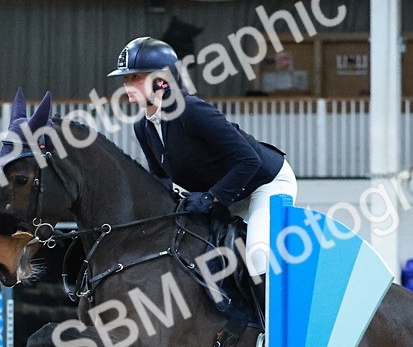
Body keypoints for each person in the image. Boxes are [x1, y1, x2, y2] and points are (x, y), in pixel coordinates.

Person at [108, 37, 297, 279]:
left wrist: (212, 196)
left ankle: (270, 318)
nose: (127, 84)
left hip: (265, 183)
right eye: (125, 78)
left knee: (257, 255)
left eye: (136, 77)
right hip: (227, 194)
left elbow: (249, 160)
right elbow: (161, 179)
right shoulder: (143, 127)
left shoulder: (191, 110)